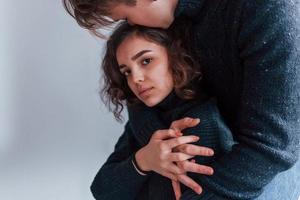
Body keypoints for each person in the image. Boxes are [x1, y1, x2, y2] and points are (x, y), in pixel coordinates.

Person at [63, 0, 300, 199]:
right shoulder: (170, 25)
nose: (131, 25)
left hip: (263, 165)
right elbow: (103, 188)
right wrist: (146, 156)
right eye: (127, 71)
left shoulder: (268, 9)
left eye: (127, 16)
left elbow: (271, 148)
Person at [90, 22, 234, 200]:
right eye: (127, 71)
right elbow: (101, 190)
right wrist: (144, 160)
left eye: (146, 61)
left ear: (175, 55)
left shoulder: (200, 121)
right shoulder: (142, 117)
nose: (136, 78)